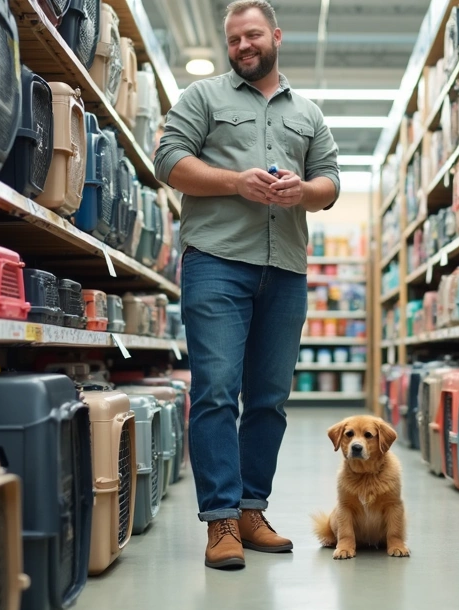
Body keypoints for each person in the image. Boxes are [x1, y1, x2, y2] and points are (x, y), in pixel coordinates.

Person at [153, 0, 341, 569]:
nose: (243, 47)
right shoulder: (203, 98)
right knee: (214, 390)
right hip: (216, 260)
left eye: (253, 36)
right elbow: (168, 161)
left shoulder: (307, 113)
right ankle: (221, 523)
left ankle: (252, 508)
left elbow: (330, 181)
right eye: (234, 40)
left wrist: (301, 193)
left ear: (276, 36)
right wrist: (237, 182)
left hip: (284, 266)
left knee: (269, 398)